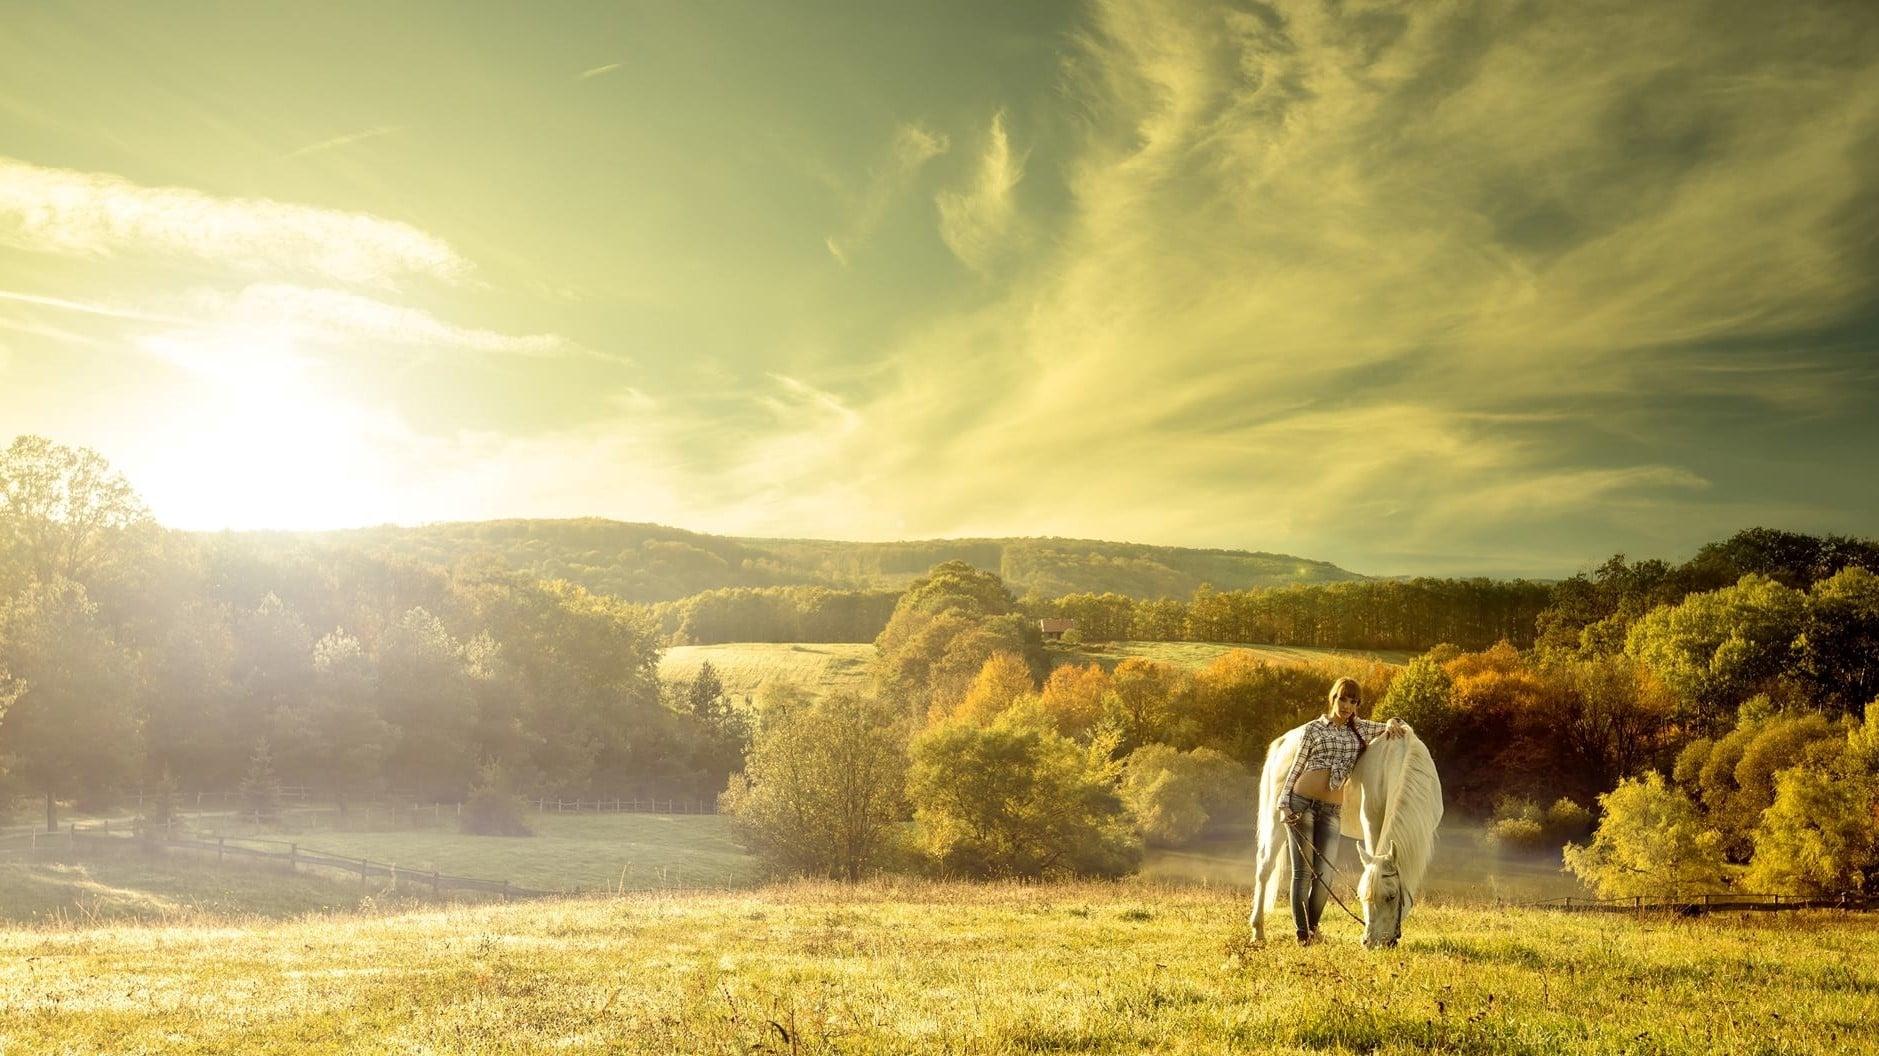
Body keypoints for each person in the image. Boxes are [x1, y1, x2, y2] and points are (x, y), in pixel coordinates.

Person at [1278, 676, 1407, 945]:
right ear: (1333, 698)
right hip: (1301, 802)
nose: (1347, 706)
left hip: (1331, 810)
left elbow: (1388, 727)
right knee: (1303, 873)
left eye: (1353, 701)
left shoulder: (1359, 730)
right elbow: (1297, 766)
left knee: (1324, 874)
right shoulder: (1313, 729)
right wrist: (1283, 802)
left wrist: (1394, 721)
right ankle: (1304, 936)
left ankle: (1312, 930)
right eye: (1343, 699)